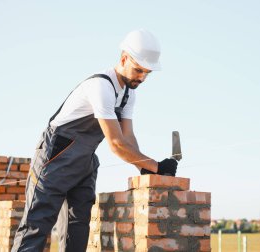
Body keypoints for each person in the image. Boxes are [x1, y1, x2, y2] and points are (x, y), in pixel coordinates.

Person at [11, 29, 178, 252]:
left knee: (77, 231)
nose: (142, 77)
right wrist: (156, 166)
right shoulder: (101, 86)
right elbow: (116, 144)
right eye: (138, 70)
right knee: (36, 226)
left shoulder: (128, 94)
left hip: (84, 161)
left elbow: (128, 137)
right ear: (124, 58)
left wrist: (145, 167)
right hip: (55, 157)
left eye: (147, 73)